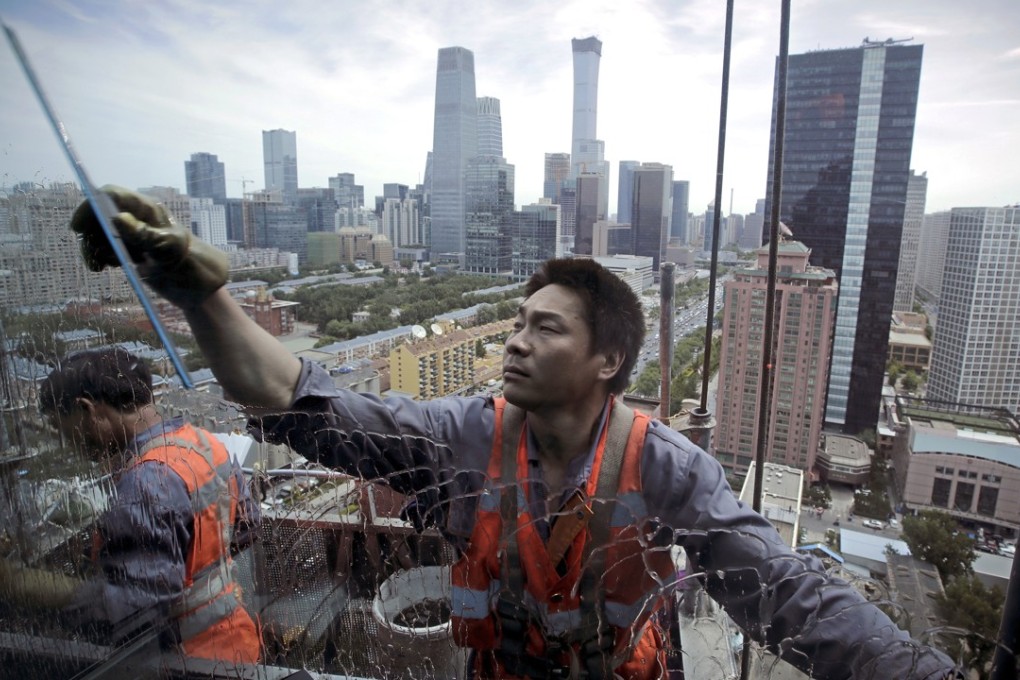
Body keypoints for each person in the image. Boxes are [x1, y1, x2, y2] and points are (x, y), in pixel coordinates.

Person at [67, 186, 961, 679]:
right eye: (518, 322)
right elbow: (299, 400)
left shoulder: (665, 468)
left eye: (547, 328)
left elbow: (785, 592)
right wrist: (201, 295)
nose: (517, 342)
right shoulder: (463, 437)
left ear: (608, 360)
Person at [1, 347, 262, 665]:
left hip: (186, 661)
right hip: (233, 641)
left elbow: (132, 610)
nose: (67, 442)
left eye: (61, 427)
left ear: (87, 409)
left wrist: (20, 584)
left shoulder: (146, 481)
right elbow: (247, 527)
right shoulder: (203, 442)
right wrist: (198, 574)